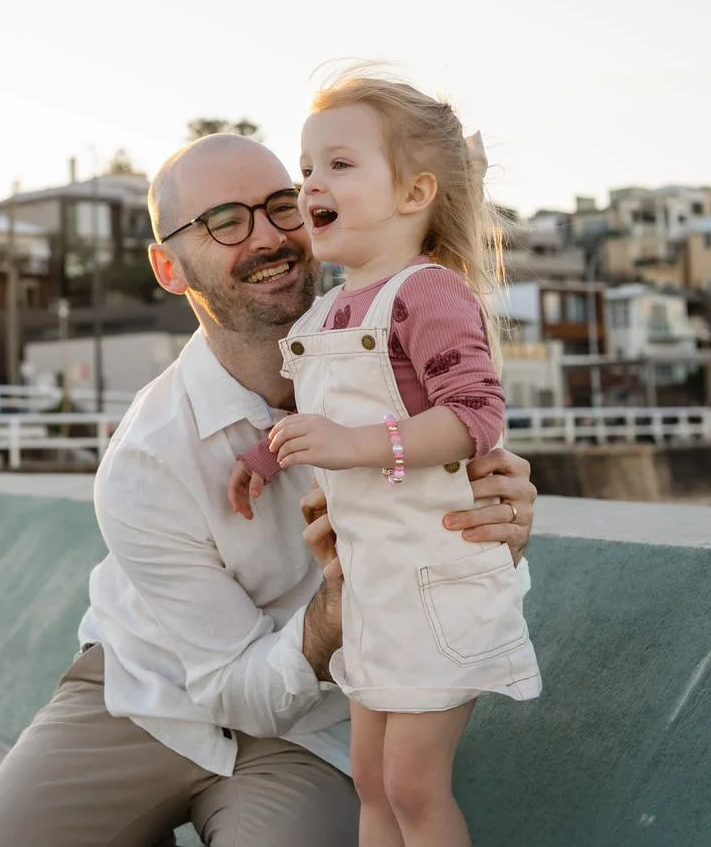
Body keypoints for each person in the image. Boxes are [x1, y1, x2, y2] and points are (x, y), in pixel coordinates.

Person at [0, 130, 539, 847]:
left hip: (323, 722)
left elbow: (463, 506)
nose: (268, 236)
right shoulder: (144, 461)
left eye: (281, 205)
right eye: (225, 221)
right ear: (169, 267)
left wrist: (497, 528)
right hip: (143, 692)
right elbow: (233, 682)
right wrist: (333, 607)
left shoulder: (408, 354)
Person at [228, 74, 539, 847]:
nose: (310, 185)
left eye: (338, 164)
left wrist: (357, 446)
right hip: (377, 588)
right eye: (305, 170)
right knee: (369, 777)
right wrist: (267, 459)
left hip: (437, 580)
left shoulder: (427, 292)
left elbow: (476, 414)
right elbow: (319, 413)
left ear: (415, 191)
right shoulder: (331, 310)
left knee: (411, 782)